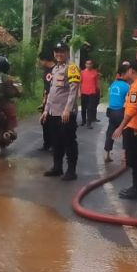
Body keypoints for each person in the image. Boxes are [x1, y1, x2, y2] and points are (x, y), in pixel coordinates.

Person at [112, 59, 137, 200]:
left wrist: (120, 127)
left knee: (135, 161)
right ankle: (136, 188)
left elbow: (132, 110)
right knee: (136, 160)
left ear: (132, 71)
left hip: (135, 128)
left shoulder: (136, 88)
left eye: (128, 69)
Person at [41, 42, 81, 180]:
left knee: (69, 141)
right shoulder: (55, 69)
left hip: (65, 114)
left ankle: (71, 171)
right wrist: (46, 110)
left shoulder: (72, 68)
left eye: (62, 51)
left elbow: (73, 90)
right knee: (56, 141)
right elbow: (52, 92)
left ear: (67, 53)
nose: (59, 54)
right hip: (53, 113)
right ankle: (57, 167)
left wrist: (67, 110)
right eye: (56, 51)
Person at [103, 61, 131, 163]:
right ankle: (124, 156)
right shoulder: (128, 87)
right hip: (121, 112)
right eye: (129, 72)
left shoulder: (113, 84)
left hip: (111, 112)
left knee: (110, 133)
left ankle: (107, 155)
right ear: (123, 74)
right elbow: (129, 101)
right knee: (126, 133)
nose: (130, 74)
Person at [38, 51, 56, 150]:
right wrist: (43, 101)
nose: (39, 63)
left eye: (40, 60)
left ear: (44, 60)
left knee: (53, 123)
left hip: (55, 100)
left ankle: (54, 144)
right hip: (47, 99)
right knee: (45, 122)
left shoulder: (56, 70)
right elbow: (46, 88)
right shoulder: (46, 70)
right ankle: (47, 143)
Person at [79, 59, 102, 128]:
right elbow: (79, 83)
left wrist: (100, 91)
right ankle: (83, 121)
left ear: (92, 65)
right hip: (84, 92)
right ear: (85, 65)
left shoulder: (95, 72)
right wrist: (79, 92)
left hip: (92, 93)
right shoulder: (82, 72)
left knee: (90, 108)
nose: (89, 65)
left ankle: (89, 123)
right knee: (83, 108)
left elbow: (97, 83)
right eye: (87, 64)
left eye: (90, 64)